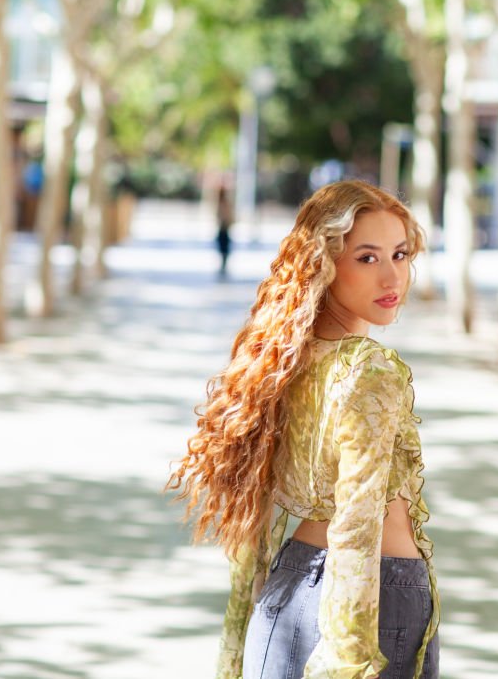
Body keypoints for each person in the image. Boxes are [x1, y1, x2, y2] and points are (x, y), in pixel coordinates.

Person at [166, 180, 440, 679]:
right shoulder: (369, 369)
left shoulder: (280, 359)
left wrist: (236, 643)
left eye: (399, 255)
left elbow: (258, 527)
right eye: (367, 258)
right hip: (366, 608)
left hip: (287, 595)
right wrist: (348, 660)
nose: (392, 277)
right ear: (325, 262)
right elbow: (358, 524)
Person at [217, 185, 234, 276]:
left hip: (224, 227)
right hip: (223, 227)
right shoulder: (220, 203)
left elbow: (227, 216)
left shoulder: (224, 203)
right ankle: (223, 263)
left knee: (223, 246)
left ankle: (224, 263)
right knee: (222, 246)